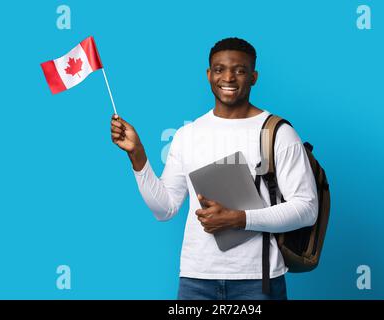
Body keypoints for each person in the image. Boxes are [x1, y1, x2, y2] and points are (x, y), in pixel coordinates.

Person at [110, 38, 318, 300]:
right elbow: (165, 209)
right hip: (196, 280)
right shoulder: (188, 134)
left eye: (240, 70)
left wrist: (239, 219)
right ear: (209, 75)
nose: (228, 77)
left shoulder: (278, 133)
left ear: (254, 77)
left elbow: (307, 208)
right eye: (219, 69)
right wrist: (137, 156)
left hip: (257, 280)